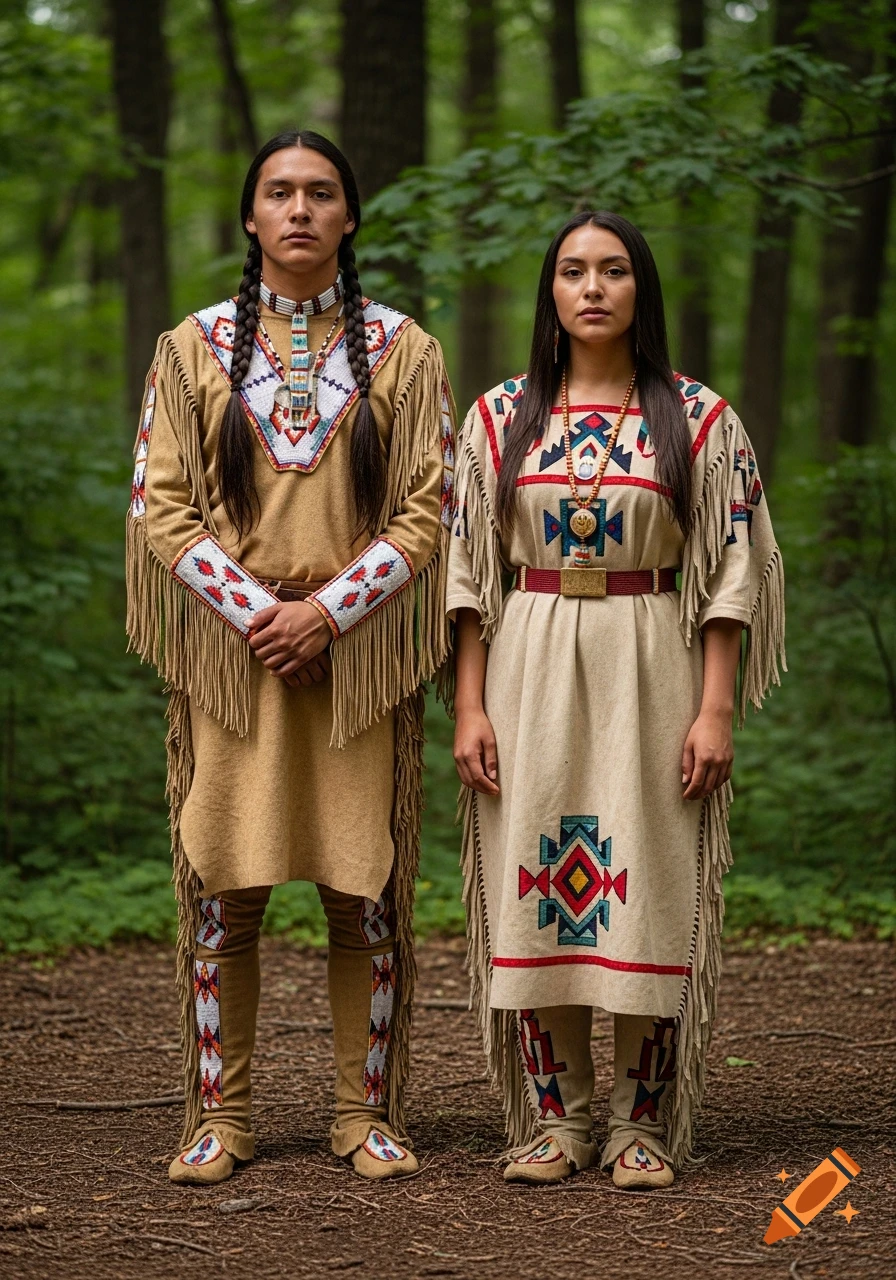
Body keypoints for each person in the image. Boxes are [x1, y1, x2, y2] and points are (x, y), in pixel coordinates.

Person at [126, 130, 454, 1184]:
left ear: (349, 216)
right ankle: (221, 1116)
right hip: (234, 660)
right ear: (251, 217)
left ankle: (366, 1115)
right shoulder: (192, 346)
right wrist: (261, 612)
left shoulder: (404, 348)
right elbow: (160, 511)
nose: (301, 208)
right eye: (279, 191)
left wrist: (331, 614)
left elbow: (428, 510)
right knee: (224, 884)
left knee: (368, 887)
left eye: (321, 192)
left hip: (355, 663)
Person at [447, 211, 784, 1188]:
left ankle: (640, 1118)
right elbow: (468, 577)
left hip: (651, 658)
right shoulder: (497, 416)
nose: (591, 287)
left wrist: (714, 706)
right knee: (538, 880)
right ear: (548, 294)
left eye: (613, 270)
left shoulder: (698, 418)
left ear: (641, 289)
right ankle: (559, 1118)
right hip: (529, 659)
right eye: (570, 271)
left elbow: (729, 573)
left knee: (646, 875)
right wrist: (467, 706)